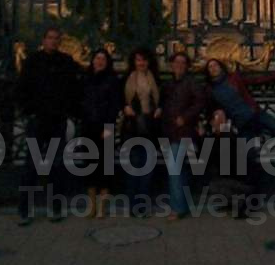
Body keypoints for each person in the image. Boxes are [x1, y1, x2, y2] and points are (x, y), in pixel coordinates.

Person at [16, 26, 81, 225]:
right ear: (43, 40)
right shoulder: (32, 62)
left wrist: (70, 113)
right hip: (38, 119)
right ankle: (25, 209)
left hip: (57, 119)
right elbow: (22, 88)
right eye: (50, 38)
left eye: (56, 38)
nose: (53, 41)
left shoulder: (65, 62)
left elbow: (73, 88)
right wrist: (29, 111)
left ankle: (55, 207)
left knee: (56, 166)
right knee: (32, 165)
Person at [160, 52, 205, 220]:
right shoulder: (168, 84)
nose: (179, 65)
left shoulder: (191, 83)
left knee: (174, 169)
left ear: (187, 66)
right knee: (179, 169)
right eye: (176, 62)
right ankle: (183, 205)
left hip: (184, 131)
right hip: (169, 131)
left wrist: (185, 117)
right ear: (171, 65)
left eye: (182, 62)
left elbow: (200, 101)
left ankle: (177, 208)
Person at [80, 49, 121, 218]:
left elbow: (115, 104)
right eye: (97, 58)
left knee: (105, 167)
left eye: (103, 59)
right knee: (89, 165)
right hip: (88, 125)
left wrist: (109, 125)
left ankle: (102, 207)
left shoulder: (112, 80)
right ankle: (91, 205)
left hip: (106, 127)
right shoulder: (85, 79)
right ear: (92, 60)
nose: (100, 61)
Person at [121, 47, 161, 216]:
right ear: (134, 62)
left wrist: (160, 108)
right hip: (132, 127)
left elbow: (161, 98)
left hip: (150, 126)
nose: (141, 63)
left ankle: (143, 204)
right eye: (138, 60)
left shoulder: (155, 79)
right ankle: (133, 204)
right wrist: (125, 107)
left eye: (144, 60)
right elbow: (119, 98)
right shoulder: (127, 79)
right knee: (133, 166)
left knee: (147, 168)